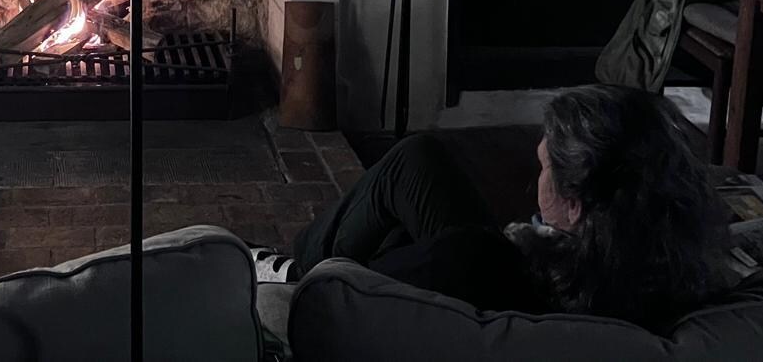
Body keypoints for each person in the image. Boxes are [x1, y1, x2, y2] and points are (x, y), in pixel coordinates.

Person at [254, 84, 728, 330]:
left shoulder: (477, 258)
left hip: (474, 290)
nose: (536, 174)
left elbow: (342, 303)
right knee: (418, 159)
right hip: (541, 280)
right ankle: (304, 260)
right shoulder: (675, 269)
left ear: (575, 206)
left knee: (383, 237)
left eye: (545, 167)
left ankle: (299, 273)